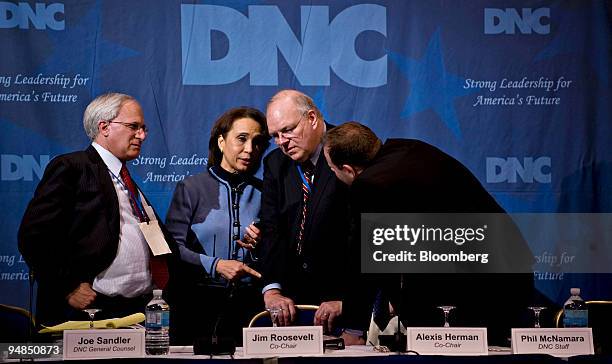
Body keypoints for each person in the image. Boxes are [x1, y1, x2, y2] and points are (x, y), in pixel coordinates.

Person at [323, 122, 534, 346]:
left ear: (348, 170)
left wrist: (355, 328)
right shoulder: (410, 148)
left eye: (333, 170)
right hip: (510, 271)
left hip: (475, 290)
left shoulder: (369, 184)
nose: (334, 176)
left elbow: (364, 260)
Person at [18, 93, 177, 328]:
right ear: (104, 127)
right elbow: (33, 236)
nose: (141, 135)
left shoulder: (126, 181)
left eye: (143, 128)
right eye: (133, 126)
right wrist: (67, 285)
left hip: (135, 311)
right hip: (88, 311)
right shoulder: (73, 167)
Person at [165, 107, 269, 345]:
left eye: (258, 142)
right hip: (195, 305)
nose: (250, 149)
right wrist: (216, 265)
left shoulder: (266, 192)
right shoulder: (191, 188)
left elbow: (278, 252)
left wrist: (259, 247)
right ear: (221, 142)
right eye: (241, 139)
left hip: (250, 308)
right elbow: (172, 248)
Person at [259, 90, 351, 332]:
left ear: (311, 118)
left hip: (343, 302)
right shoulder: (274, 164)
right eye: (275, 136)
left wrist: (351, 300)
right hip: (294, 304)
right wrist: (273, 290)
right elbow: (271, 230)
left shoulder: (348, 147)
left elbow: (366, 230)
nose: (282, 142)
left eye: (288, 130)